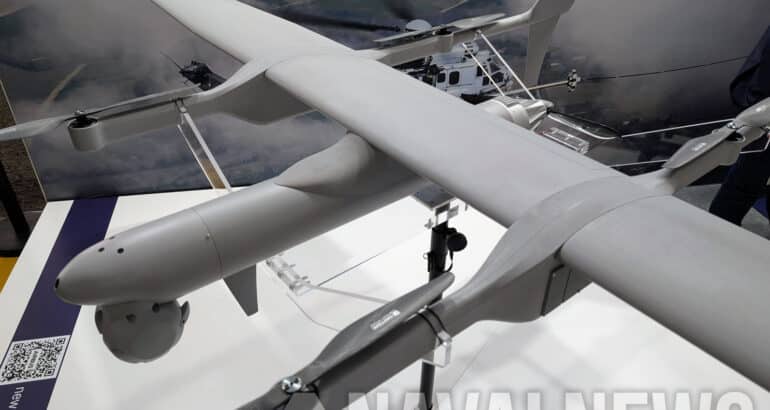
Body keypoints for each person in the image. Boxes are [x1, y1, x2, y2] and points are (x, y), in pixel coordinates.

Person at [709, 27, 770, 225]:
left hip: (761, 105)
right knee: (742, 185)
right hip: (762, 108)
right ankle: (716, 233)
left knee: (742, 184)